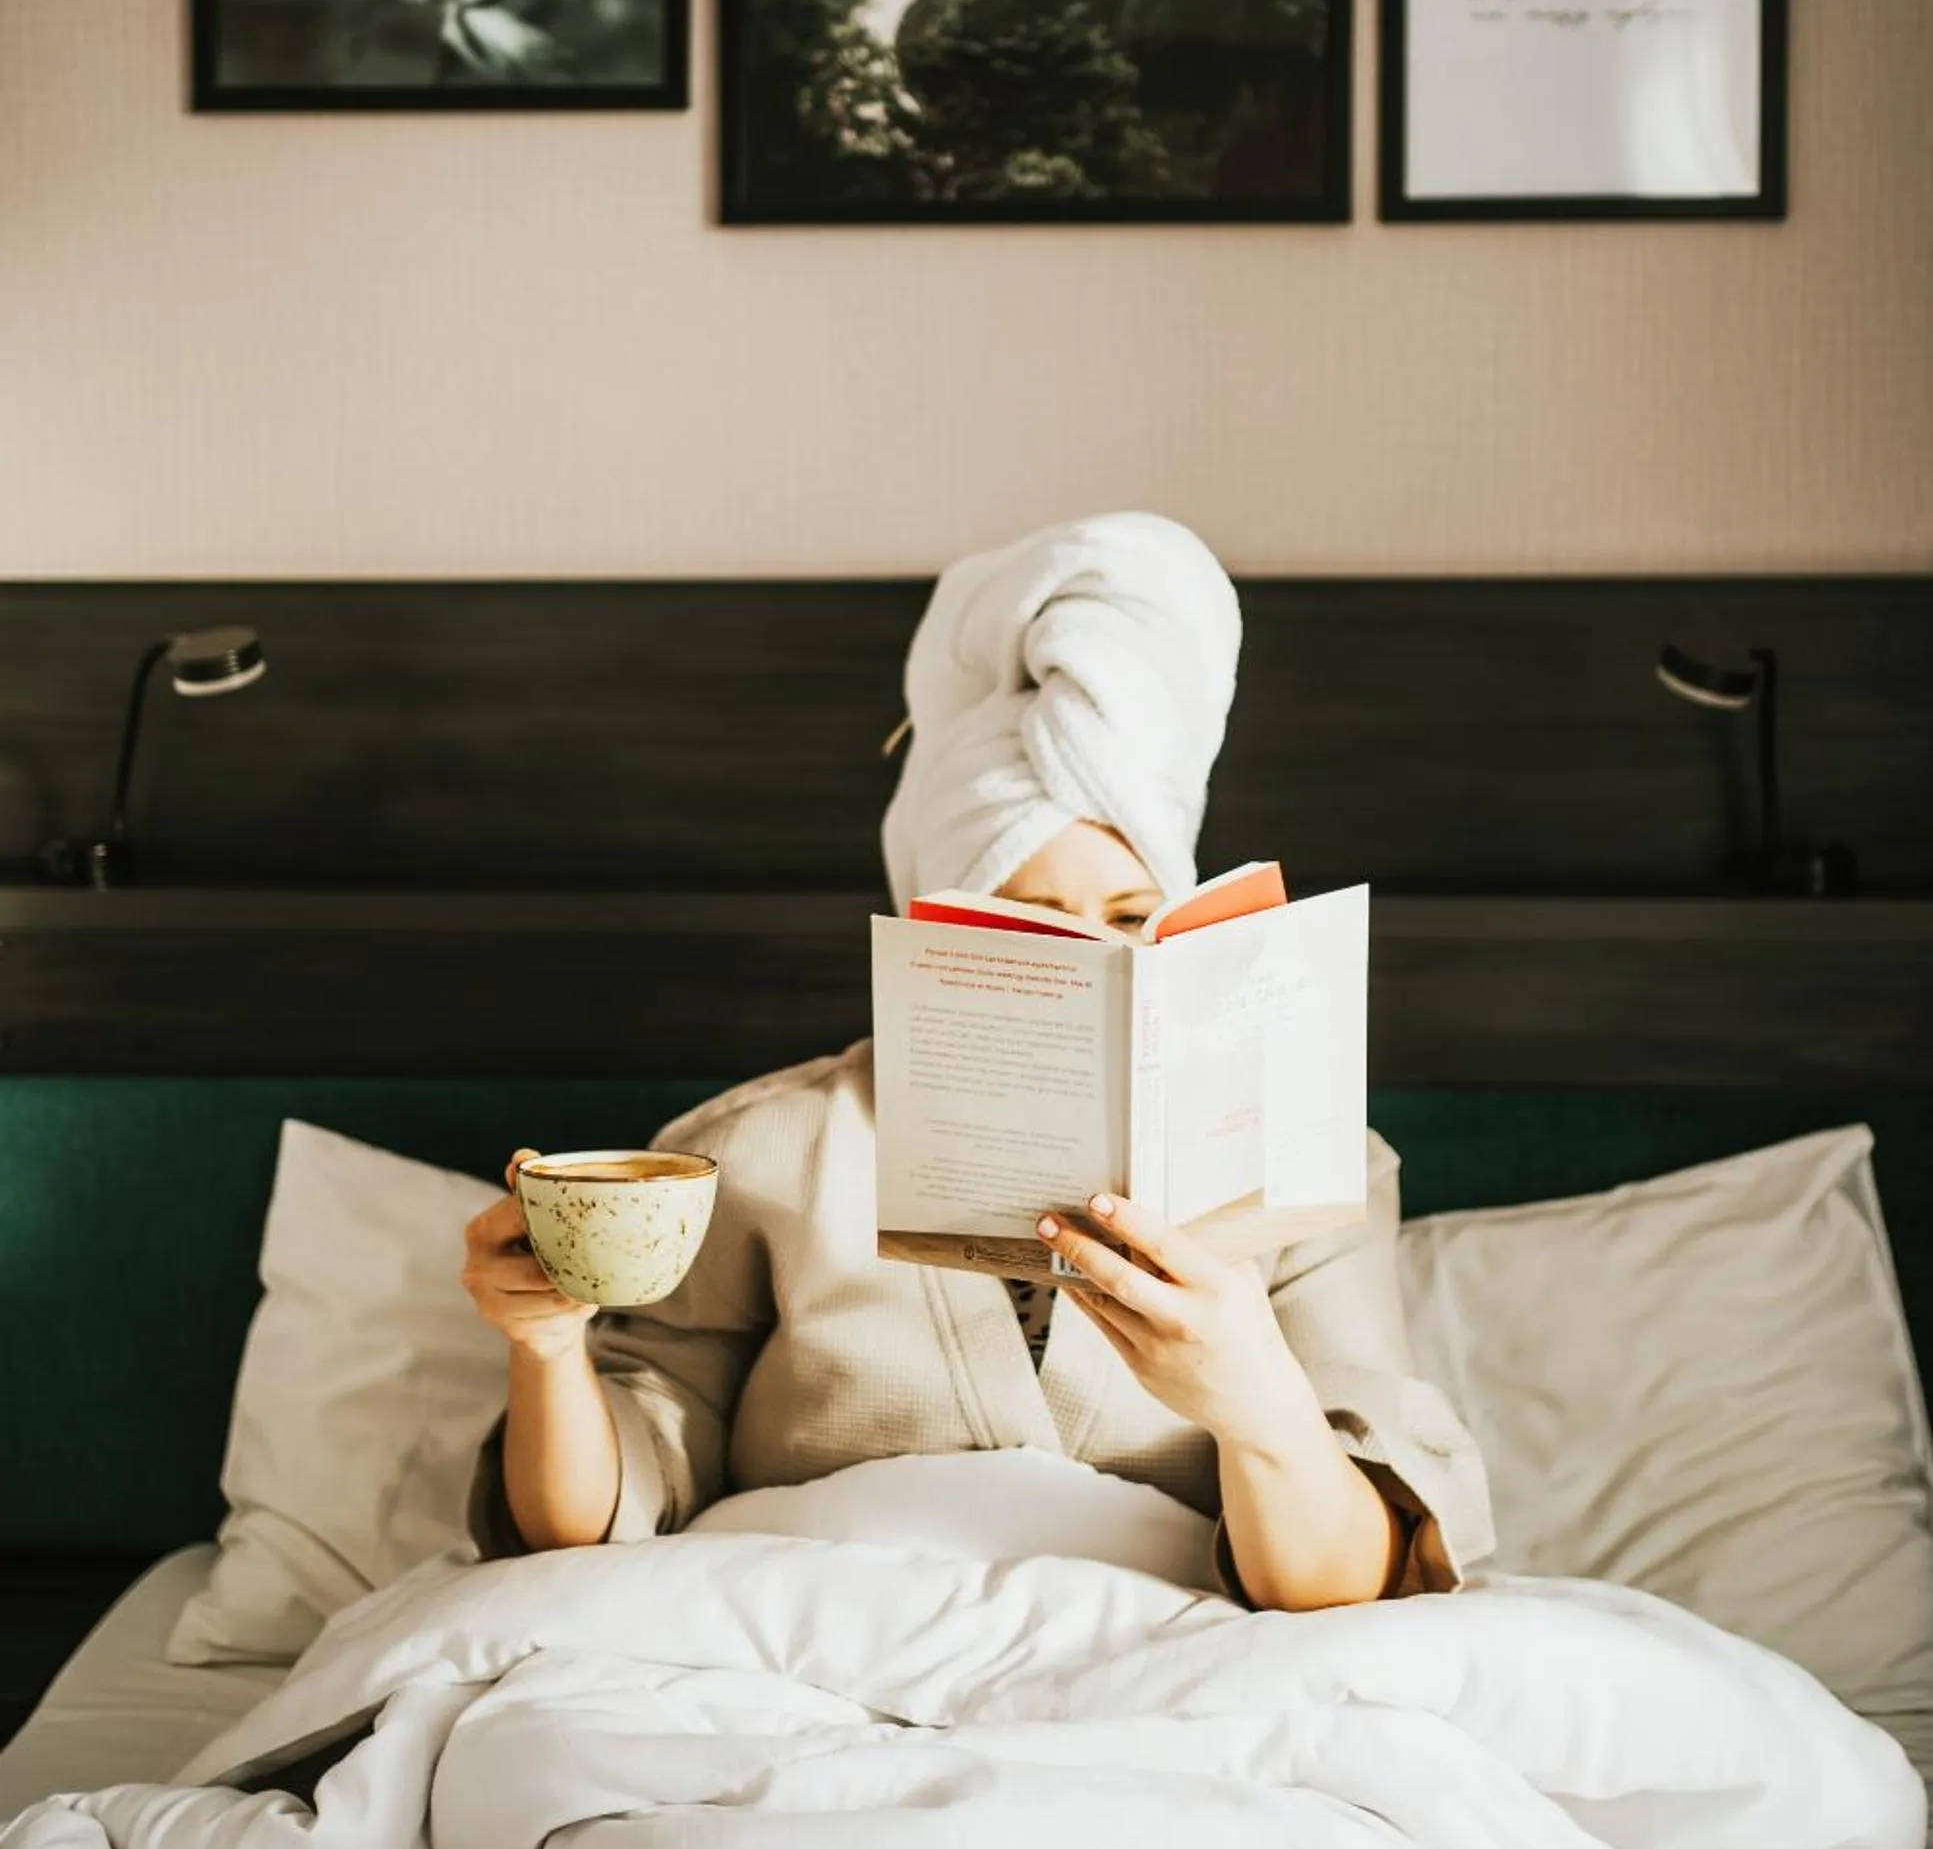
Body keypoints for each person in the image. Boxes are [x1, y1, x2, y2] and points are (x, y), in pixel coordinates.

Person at [461, 513, 1493, 1609]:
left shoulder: (1297, 1161)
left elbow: (1351, 1592)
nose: (1096, 957)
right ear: (927, 923)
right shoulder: (757, 1151)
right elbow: (586, 1531)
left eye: (1134, 916)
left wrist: (1255, 1404)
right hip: (802, 1657)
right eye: (1029, 921)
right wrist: (546, 1346)